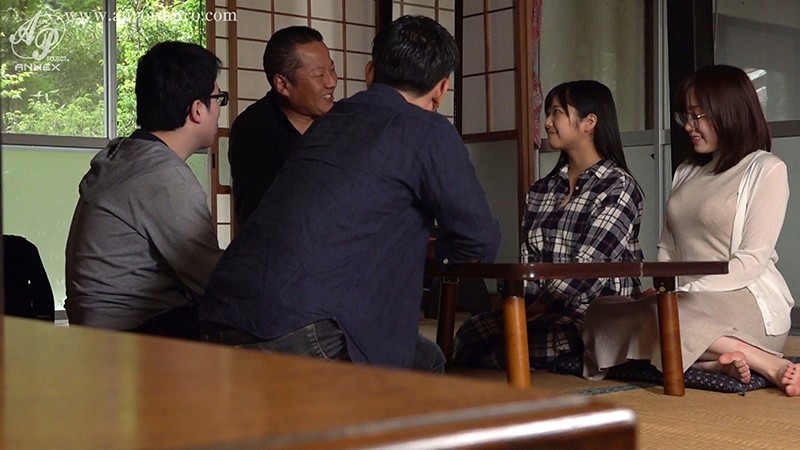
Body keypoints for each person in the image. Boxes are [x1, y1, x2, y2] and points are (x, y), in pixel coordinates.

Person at [199, 15, 501, 373]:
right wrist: (432, 250)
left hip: (220, 313)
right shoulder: (428, 130)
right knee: (424, 367)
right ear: (441, 88)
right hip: (302, 326)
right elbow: (479, 239)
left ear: (370, 73)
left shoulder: (327, 123)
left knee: (423, 356)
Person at [582, 65, 799, 396]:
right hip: (684, 299)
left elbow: (751, 261)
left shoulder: (765, 169)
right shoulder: (686, 171)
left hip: (743, 298)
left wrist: (682, 292)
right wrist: (666, 289)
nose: (688, 125)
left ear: (728, 113)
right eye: (686, 115)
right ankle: (712, 363)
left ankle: (769, 363)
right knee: (601, 312)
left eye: (698, 116)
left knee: (667, 315)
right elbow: (667, 246)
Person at [453, 80, 644, 370]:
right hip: (538, 311)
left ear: (589, 122)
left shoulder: (618, 186)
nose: (547, 122)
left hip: (597, 314)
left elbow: (589, 267)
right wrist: (518, 308)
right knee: (469, 334)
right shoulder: (541, 190)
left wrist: (528, 314)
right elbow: (529, 261)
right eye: (548, 113)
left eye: (557, 112)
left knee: (512, 352)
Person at [65, 41, 226, 339]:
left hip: (96, 330)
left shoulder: (125, 155)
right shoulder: (164, 176)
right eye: (218, 99)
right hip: (133, 336)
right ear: (197, 109)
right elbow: (212, 280)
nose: (219, 111)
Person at [229, 26, 337, 226]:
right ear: (282, 84)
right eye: (319, 74)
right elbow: (256, 213)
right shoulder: (254, 129)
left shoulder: (342, 121)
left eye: (332, 69)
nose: (331, 82)